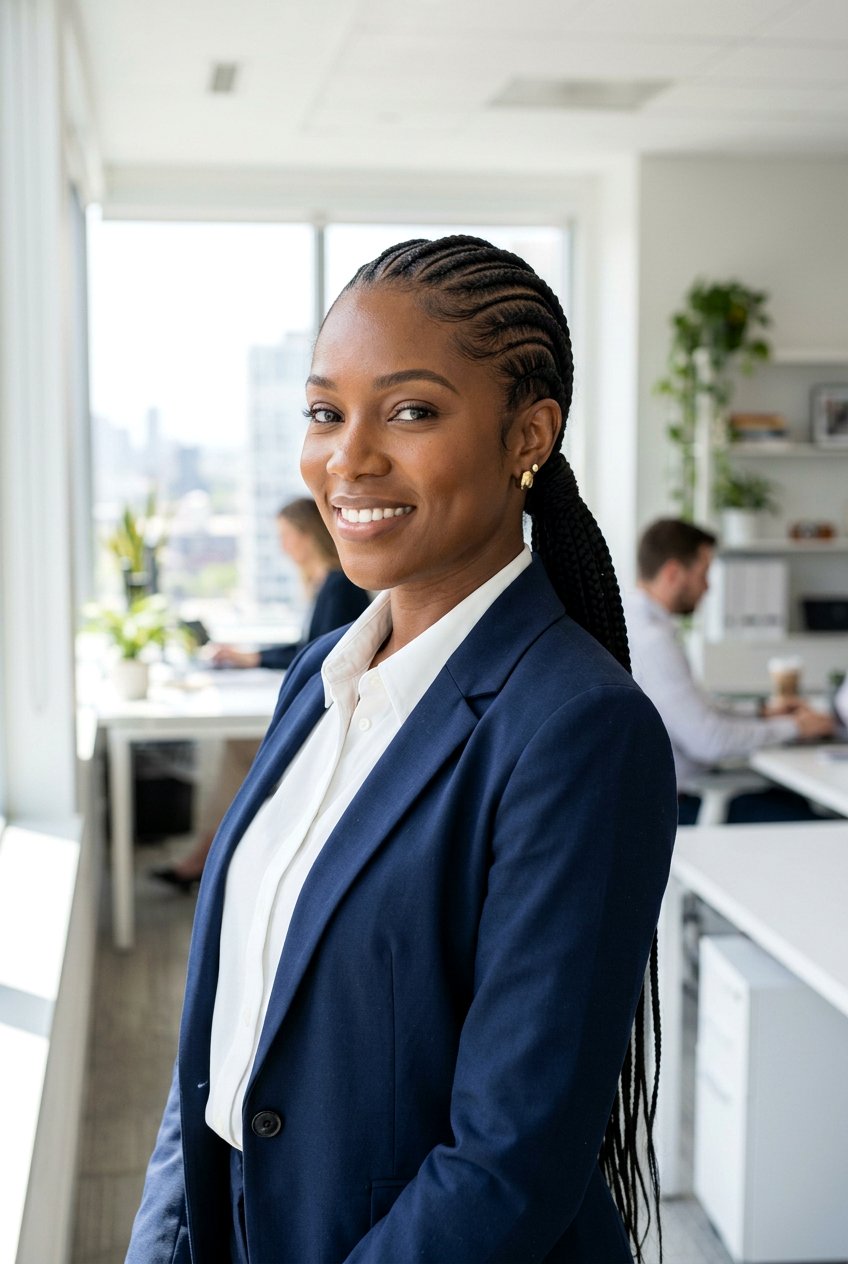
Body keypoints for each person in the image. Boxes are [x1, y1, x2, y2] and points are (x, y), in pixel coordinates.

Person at [127, 236, 677, 1264]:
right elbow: (225, 1041)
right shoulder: (323, 672)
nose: (349, 457)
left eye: (411, 410)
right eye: (325, 412)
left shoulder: (576, 730)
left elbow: (506, 1161)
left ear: (528, 434)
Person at [152, 498, 370, 889]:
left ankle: (211, 853)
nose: (283, 546)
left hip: (331, 723)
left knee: (232, 746)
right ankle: (213, 851)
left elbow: (320, 654)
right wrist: (249, 657)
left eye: (287, 535)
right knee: (231, 746)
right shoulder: (325, 583)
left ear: (307, 536)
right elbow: (310, 648)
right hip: (324, 712)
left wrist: (251, 658)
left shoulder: (338, 586)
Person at [627, 517, 834, 825]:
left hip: (683, 796)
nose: (708, 588)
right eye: (703, 574)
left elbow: (699, 711)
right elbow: (709, 741)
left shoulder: (635, 623)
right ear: (673, 573)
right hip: (684, 808)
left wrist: (763, 712)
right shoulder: (653, 642)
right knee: (821, 823)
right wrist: (796, 728)